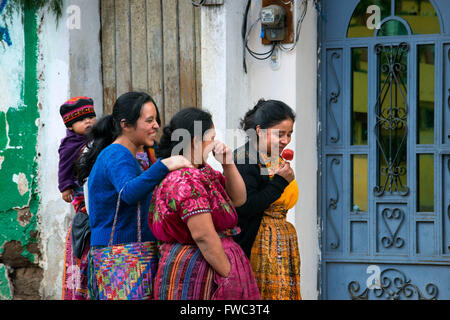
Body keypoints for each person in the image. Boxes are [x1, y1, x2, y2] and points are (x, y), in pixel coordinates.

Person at [76, 91, 192, 300]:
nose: (156, 125)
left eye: (155, 120)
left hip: (128, 252)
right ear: (125, 125)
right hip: (121, 255)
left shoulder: (127, 155)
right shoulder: (116, 154)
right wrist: (164, 165)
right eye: (149, 120)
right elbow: (128, 193)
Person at [149, 107, 261, 300]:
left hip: (207, 263)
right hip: (198, 271)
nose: (215, 144)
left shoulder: (203, 171)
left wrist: (228, 163)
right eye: (212, 138)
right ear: (195, 142)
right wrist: (228, 274)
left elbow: (238, 199)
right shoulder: (186, 178)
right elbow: (203, 235)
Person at [233, 99, 301, 300]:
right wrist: (279, 182)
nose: (286, 140)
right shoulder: (245, 159)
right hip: (258, 248)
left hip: (281, 246)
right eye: (280, 134)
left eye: (289, 134)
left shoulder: (274, 157)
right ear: (260, 131)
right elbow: (245, 206)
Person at [58, 96, 96, 300]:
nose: (89, 122)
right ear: (70, 126)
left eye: (91, 117)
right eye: (82, 120)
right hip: (78, 193)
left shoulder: (98, 141)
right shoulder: (69, 145)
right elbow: (64, 168)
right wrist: (64, 187)